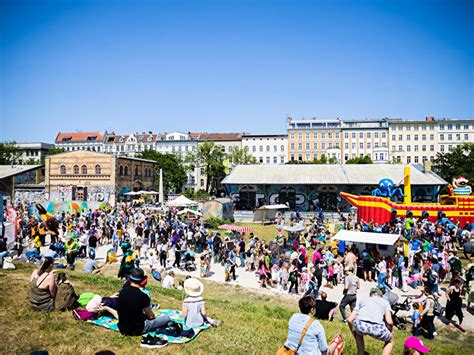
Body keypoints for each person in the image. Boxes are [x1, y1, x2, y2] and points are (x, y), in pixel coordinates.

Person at [117, 268, 170, 342]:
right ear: (142, 281)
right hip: (137, 329)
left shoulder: (122, 291)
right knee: (166, 318)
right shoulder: (143, 296)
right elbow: (151, 316)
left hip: (122, 328)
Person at [347, 288, 394, 355]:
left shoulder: (363, 300)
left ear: (370, 294)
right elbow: (389, 322)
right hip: (377, 328)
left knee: (358, 333)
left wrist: (354, 332)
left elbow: (349, 319)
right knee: (390, 340)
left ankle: (361, 353)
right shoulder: (385, 302)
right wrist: (389, 332)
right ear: (381, 296)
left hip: (361, 325)